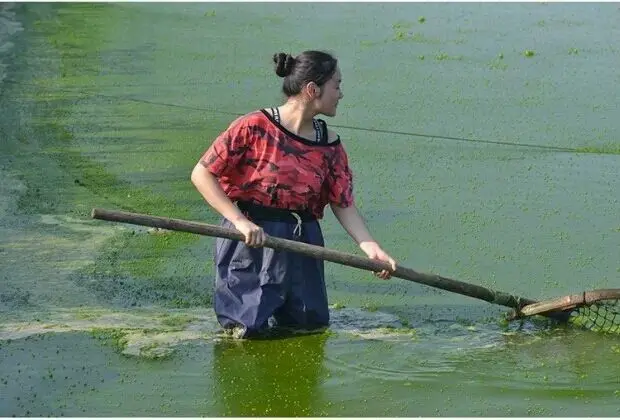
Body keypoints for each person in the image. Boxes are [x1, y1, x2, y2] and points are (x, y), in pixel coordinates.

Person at [191, 50, 397, 339]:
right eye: (336, 86)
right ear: (313, 89)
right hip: (253, 239)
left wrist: (371, 248)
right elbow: (202, 174)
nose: (341, 94)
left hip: (304, 242)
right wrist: (239, 222)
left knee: (308, 329)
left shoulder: (330, 145)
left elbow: (343, 203)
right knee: (245, 332)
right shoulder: (254, 127)